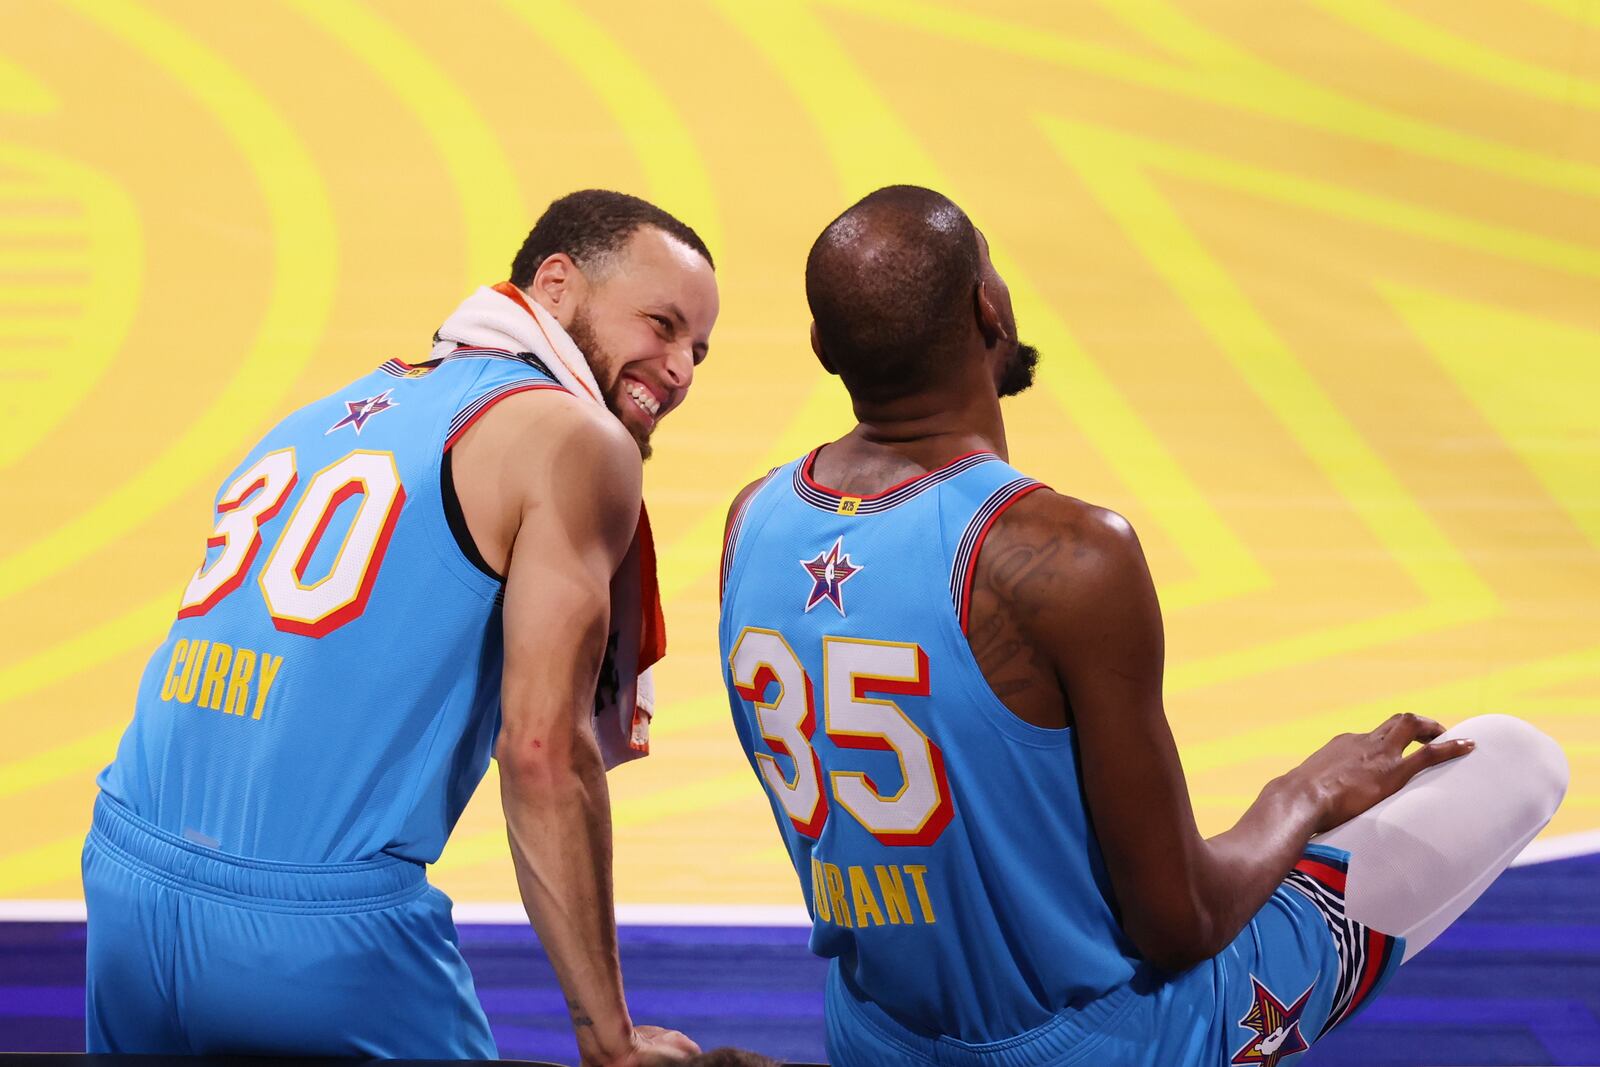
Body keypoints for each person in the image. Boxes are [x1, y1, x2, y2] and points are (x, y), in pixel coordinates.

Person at [717, 185, 1569, 1067]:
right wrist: (1304, 792)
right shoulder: (1069, 552)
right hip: (1113, 1043)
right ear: (991, 308)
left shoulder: (752, 523)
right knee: (1517, 755)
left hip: (875, 1037)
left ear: (822, 348)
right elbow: (1180, 922)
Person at [84, 189, 719, 1066]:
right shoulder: (575, 439)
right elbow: (540, 750)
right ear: (557, 283)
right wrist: (606, 1034)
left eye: (700, 350)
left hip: (123, 876)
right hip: (314, 934)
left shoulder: (328, 414)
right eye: (662, 323)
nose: (681, 368)